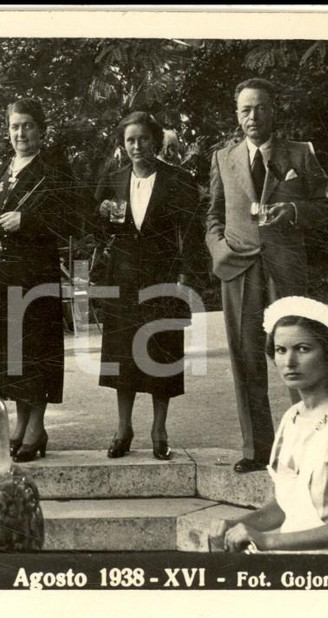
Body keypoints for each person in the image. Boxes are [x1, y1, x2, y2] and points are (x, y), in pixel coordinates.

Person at [205, 78, 328, 473]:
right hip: (239, 267)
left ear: (274, 110)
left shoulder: (300, 153)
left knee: (297, 354)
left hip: (285, 265)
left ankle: (305, 446)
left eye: (260, 107)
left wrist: (293, 212)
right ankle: (257, 449)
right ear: (236, 114)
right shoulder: (223, 158)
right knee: (246, 358)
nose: (252, 116)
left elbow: (325, 206)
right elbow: (212, 214)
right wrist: (219, 249)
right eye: (245, 109)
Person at [210, 296, 328, 553]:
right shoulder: (292, 417)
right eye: (281, 350)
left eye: (303, 349)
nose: (289, 361)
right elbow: (285, 505)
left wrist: (269, 540)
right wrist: (236, 524)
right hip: (291, 562)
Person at [0, 98, 82, 463]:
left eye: (27, 126)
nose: (20, 133)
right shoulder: (4, 169)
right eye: (14, 127)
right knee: (13, 352)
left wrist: (29, 221)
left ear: (41, 129)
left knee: (35, 349)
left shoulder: (53, 171)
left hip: (36, 274)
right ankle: (21, 425)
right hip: (0, 278)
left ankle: (37, 425)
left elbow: (72, 222)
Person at [94, 112, 201, 461]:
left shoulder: (178, 179)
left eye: (142, 139)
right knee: (122, 355)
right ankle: (123, 428)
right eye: (130, 140)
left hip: (162, 278)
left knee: (161, 353)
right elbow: (95, 226)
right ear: (122, 145)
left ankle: (159, 429)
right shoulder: (113, 179)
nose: (137, 146)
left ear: (154, 140)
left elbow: (192, 232)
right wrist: (102, 211)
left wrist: (187, 275)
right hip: (122, 278)